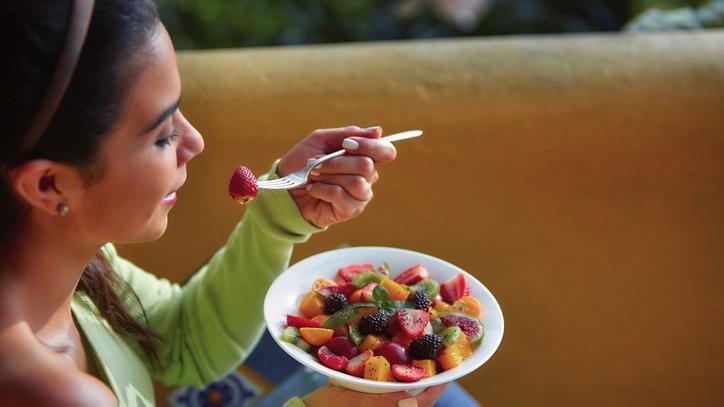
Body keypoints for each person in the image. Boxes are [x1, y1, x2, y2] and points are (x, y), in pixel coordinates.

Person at [0, 1, 452, 406]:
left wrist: (278, 218)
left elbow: (181, 340)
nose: (194, 141)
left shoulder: (68, 261)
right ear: (48, 185)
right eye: (162, 135)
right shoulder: (50, 393)